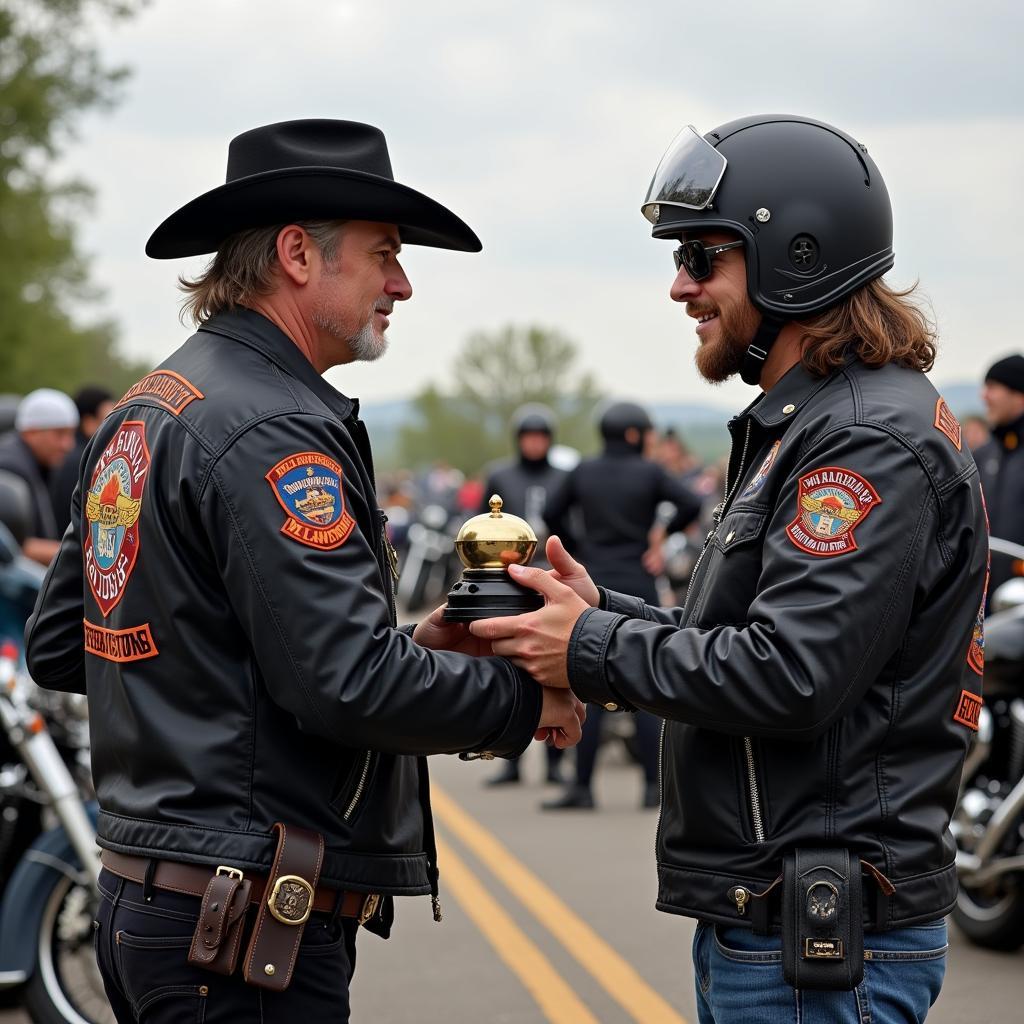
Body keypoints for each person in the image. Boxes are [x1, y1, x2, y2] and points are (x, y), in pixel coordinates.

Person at [24, 118, 582, 1023]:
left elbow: (66, 644)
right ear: (295, 253)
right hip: (238, 925)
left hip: (154, 899)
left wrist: (407, 646)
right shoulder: (275, 425)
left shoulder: (144, 406)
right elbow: (346, 684)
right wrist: (530, 698)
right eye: (385, 254)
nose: (402, 283)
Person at [470, 115, 987, 1022]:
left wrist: (589, 649)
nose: (680, 286)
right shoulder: (816, 423)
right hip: (781, 916)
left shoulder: (859, 441)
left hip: (819, 937)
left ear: (797, 255)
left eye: (704, 257)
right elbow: (754, 641)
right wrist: (606, 614)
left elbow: (791, 676)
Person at [540, 400, 702, 810]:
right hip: (639, 581)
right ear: (633, 434)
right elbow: (691, 503)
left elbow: (550, 511)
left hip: (593, 582)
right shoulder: (650, 472)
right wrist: (662, 536)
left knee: (588, 678)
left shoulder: (584, 471)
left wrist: (578, 549)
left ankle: (582, 787)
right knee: (644, 680)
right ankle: (652, 787)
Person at [478, 403, 570, 786]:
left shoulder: (565, 477)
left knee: (553, 668)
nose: (534, 444)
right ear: (519, 440)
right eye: (528, 437)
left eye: (540, 437)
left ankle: (554, 762)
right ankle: (510, 759)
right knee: (509, 666)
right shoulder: (500, 475)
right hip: (507, 583)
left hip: (549, 579)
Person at [0, 388, 78, 565]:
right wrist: (84, 554)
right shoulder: (9, 468)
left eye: (71, 434)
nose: (68, 445)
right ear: (30, 432)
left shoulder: (41, 463)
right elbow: (15, 545)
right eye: (59, 434)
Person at [975, 354, 1024, 594]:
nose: (984, 396)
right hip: (983, 597)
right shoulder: (983, 455)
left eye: (992, 387)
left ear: (1018, 394)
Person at [50, 385, 115, 531]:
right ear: (88, 422)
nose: (117, 427)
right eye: (109, 420)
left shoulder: (76, 456)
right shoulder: (83, 462)